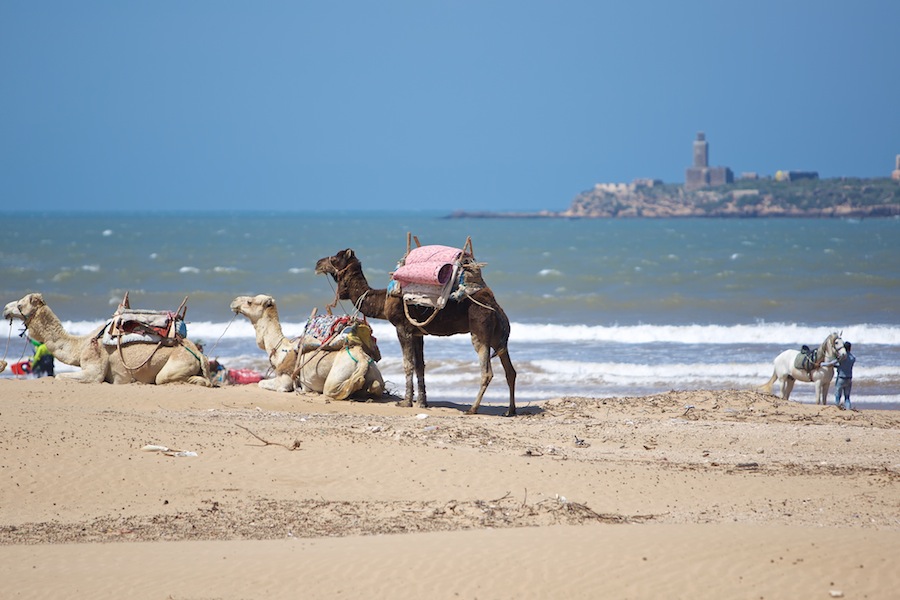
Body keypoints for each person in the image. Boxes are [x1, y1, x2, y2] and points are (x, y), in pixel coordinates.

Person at [832, 341, 856, 410]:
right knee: (847, 397)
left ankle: (837, 409)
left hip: (841, 378)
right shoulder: (853, 358)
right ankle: (848, 410)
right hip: (849, 378)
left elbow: (835, 363)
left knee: (837, 395)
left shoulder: (842, 357)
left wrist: (823, 364)